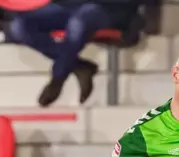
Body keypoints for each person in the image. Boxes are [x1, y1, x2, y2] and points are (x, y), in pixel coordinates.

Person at [9, 0, 141, 107]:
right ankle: (78, 66)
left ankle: (58, 78)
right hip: (67, 6)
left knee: (77, 24)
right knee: (19, 26)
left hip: (107, 8)